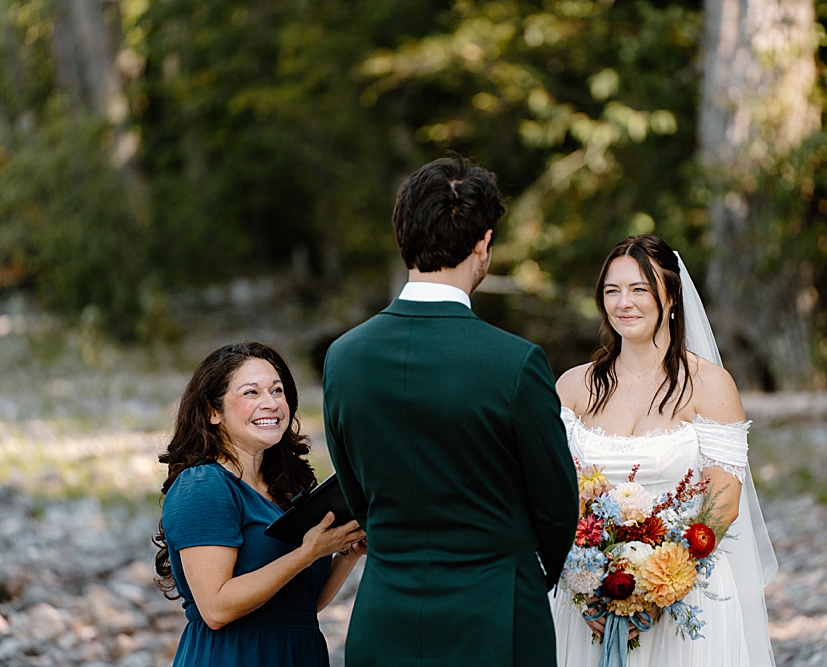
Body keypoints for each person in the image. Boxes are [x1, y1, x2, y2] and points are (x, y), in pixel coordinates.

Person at [323, 156, 580, 667]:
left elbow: (356, 493)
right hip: (495, 619)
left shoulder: (344, 357)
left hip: (385, 613)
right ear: (484, 243)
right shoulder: (515, 362)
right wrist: (521, 575)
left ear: (403, 236)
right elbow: (556, 507)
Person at [551, 235, 778, 667]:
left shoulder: (709, 385)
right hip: (589, 601)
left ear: (671, 296)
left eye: (639, 289)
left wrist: (662, 588)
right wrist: (580, 581)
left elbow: (723, 503)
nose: (624, 303)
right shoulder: (573, 387)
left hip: (687, 597)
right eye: (612, 291)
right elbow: (554, 491)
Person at [154, 341, 366, 667]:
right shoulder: (203, 487)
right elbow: (216, 608)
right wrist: (306, 553)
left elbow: (302, 603)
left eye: (277, 391)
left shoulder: (284, 488)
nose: (271, 403)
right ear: (213, 412)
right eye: (251, 393)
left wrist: (345, 551)